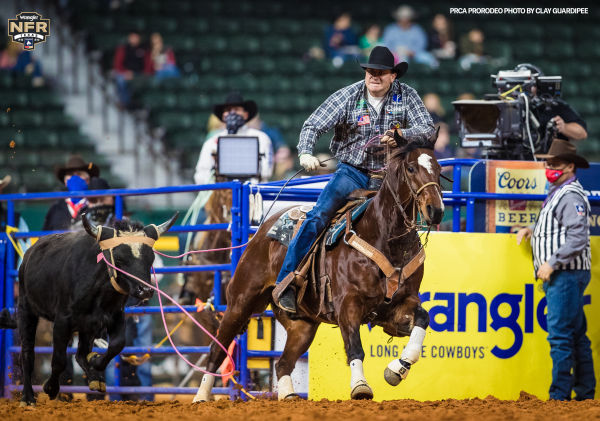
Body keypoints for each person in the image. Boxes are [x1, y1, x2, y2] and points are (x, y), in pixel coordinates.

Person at [274, 46, 434, 312]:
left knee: (408, 225)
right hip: (353, 172)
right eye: (371, 71)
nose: (374, 76)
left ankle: (400, 288)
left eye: (381, 73)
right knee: (318, 216)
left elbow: (427, 129)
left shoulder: (407, 96)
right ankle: (288, 281)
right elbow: (314, 124)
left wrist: (400, 135)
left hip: (390, 178)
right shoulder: (348, 96)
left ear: (393, 76)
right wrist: (304, 153)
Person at [516, 139, 594, 401]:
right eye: (548, 163)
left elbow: (578, 237)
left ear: (570, 166)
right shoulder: (560, 192)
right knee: (577, 335)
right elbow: (563, 231)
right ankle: (584, 392)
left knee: (560, 335)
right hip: (566, 274)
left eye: (556, 164)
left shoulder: (569, 195)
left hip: (565, 274)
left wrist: (552, 262)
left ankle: (559, 395)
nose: (550, 167)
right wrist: (532, 231)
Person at [193, 92, 274, 185]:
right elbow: (201, 174)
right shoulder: (212, 142)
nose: (232, 113)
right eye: (228, 110)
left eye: (236, 109)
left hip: (252, 193)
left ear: (246, 114)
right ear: (223, 115)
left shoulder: (261, 138)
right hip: (221, 194)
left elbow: (266, 171)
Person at [514, 64, 588, 153]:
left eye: (531, 84)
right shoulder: (506, 106)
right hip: (513, 160)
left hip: (549, 161)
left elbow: (582, 133)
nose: (525, 88)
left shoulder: (554, 105)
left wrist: (564, 127)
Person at [43, 155, 100, 231]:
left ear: (88, 180)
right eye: (71, 174)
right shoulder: (55, 208)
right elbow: (44, 236)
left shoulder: (96, 207)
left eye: (79, 174)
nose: (75, 178)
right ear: (65, 181)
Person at [112, 32, 151, 107]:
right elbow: (117, 64)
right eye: (132, 37)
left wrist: (145, 73)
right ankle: (125, 103)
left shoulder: (143, 49)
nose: (134, 39)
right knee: (121, 81)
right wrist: (125, 72)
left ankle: (142, 105)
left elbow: (147, 64)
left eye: (136, 37)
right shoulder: (123, 49)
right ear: (129, 38)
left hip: (139, 73)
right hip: (125, 73)